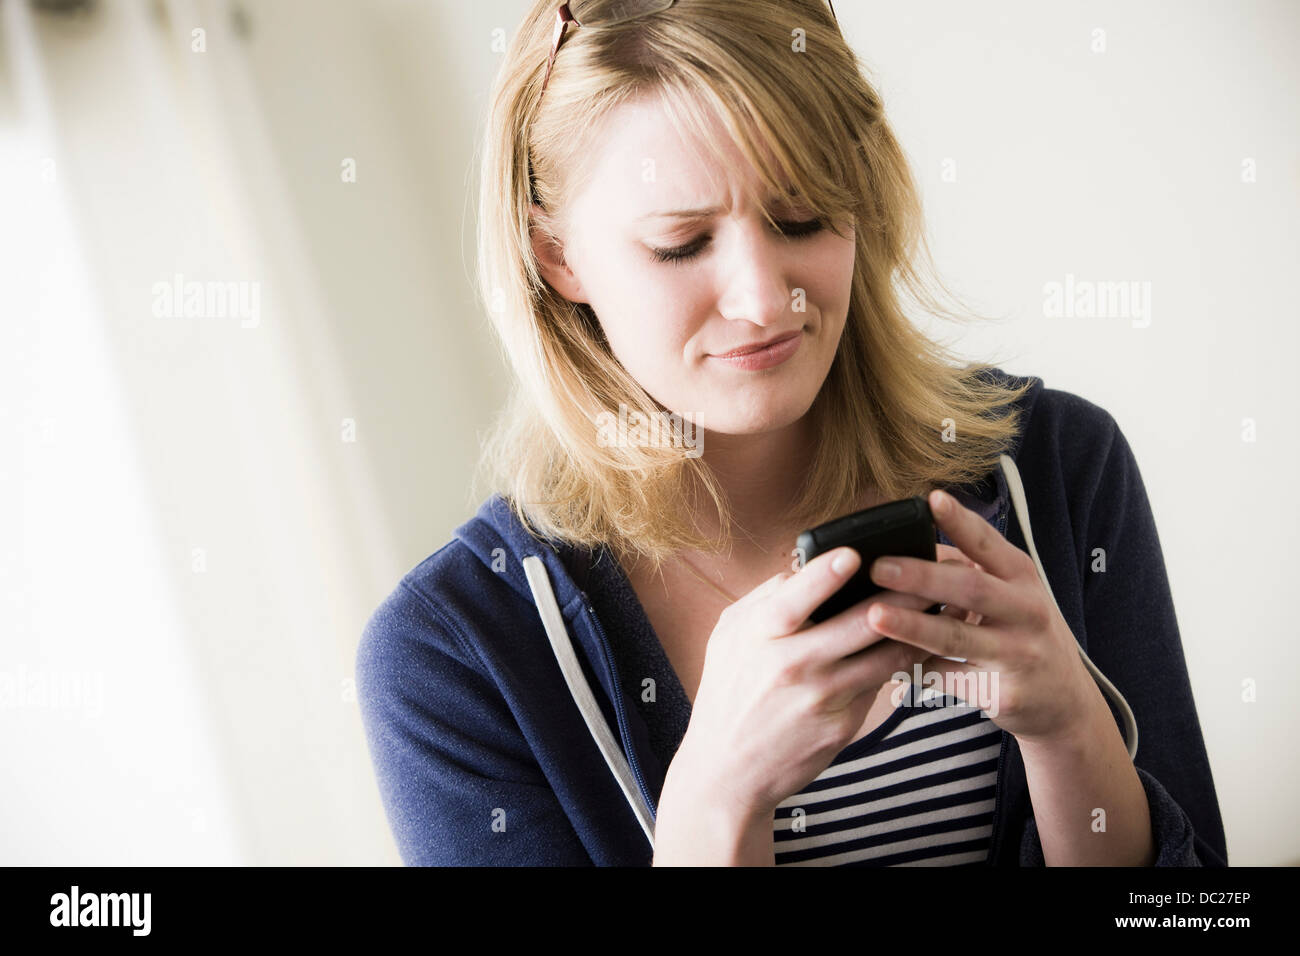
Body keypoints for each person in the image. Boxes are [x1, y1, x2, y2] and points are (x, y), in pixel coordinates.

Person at [355, 0, 1227, 866]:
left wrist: (1073, 727)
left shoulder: (1060, 471)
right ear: (557, 254)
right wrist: (717, 804)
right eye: (682, 243)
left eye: (803, 217)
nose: (766, 301)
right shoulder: (454, 659)